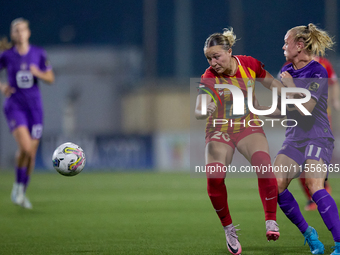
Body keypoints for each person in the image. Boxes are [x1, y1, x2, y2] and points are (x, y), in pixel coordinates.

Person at [194, 27, 283, 255]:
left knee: (263, 165)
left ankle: (271, 220)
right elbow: (199, 107)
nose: (213, 62)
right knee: (214, 177)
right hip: (219, 128)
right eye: (209, 58)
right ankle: (228, 228)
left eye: (216, 56)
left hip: (247, 124)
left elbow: (273, 84)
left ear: (229, 51)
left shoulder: (250, 64)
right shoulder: (209, 76)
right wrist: (206, 108)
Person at [273, 23, 340, 255]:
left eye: (286, 42)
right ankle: (309, 235)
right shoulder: (285, 69)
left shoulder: (317, 71)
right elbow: (285, 108)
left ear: (299, 45)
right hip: (294, 138)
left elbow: (307, 109)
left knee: (314, 185)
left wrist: (290, 86)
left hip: (317, 136)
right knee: (276, 185)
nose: (283, 46)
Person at [0, 18, 55, 209]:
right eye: (16, 30)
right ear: (13, 35)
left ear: (28, 33)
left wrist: (38, 73)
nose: (20, 33)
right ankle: (17, 188)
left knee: (30, 154)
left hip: (35, 108)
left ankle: (21, 190)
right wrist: (2, 86)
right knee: (25, 147)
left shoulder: (38, 53)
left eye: (23, 29)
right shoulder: (7, 55)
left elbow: (50, 77)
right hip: (15, 106)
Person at [281, 56, 340, 211]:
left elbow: (334, 83)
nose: (284, 47)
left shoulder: (323, 64)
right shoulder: (288, 67)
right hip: (298, 120)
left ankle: (320, 190)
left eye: (288, 43)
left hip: (320, 119)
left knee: (313, 158)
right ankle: (315, 194)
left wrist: (335, 100)